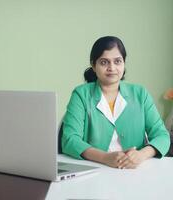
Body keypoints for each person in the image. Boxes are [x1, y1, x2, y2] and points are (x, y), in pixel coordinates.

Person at [61, 36, 171, 169]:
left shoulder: (140, 94)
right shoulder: (81, 94)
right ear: (94, 66)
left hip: (135, 170)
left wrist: (141, 155)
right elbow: (70, 140)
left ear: (124, 63)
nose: (111, 68)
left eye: (117, 61)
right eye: (104, 62)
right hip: (95, 168)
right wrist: (105, 157)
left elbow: (162, 136)